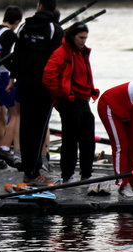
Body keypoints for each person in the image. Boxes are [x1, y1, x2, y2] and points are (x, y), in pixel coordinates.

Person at [8, 0, 63, 186]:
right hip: (43, 86)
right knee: (39, 128)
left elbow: (17, 53)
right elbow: (58, 61)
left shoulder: (25, 26)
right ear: (53, 8)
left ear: (39, 6)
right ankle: (33, 172)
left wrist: (12, 78)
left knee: (26, 127)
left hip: (24, 83)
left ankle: (28, 171)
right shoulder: (54, 29)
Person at [43, 22, 100, 183]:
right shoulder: (62, 53)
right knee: (70, 139)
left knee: (88, 138)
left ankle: (86, 173)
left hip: (83, 99)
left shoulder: (82, 52)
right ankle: (67, 174)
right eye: (80, 38)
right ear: (72, 36)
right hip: (70, 100)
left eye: (85, 38)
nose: (83, 41)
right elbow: (48, 76)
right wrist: (61, 95)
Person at [0, 5, 22, 169]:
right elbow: (7, 58)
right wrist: (16, 72)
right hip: (4, 77)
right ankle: (4, 149)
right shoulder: (9, 34)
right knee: (15, 114)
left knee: (0, 117)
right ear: (17, 21)